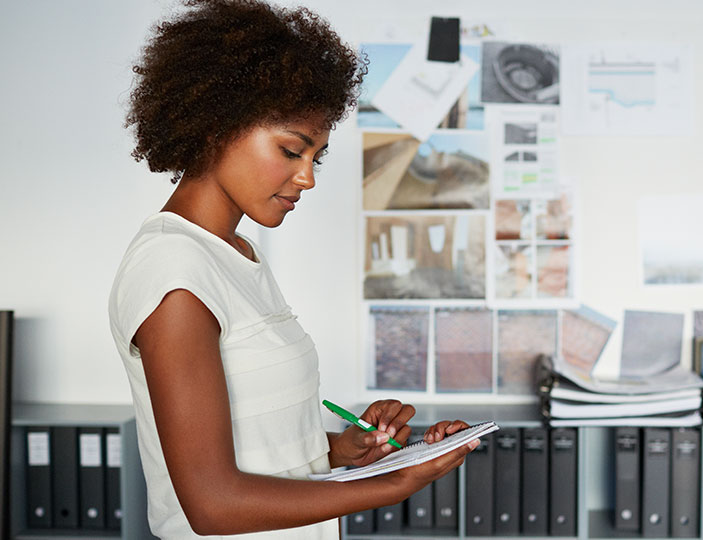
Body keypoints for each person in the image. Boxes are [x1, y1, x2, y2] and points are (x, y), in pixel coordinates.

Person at [108, 1, 476, 537]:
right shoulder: (174, 272)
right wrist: (394, 485)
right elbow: (212, 503)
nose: (306, 178)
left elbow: (257, 443)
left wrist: (343, 450)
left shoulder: (235, 254)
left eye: (316, 157)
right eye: (291, 150)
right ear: (215, 127)